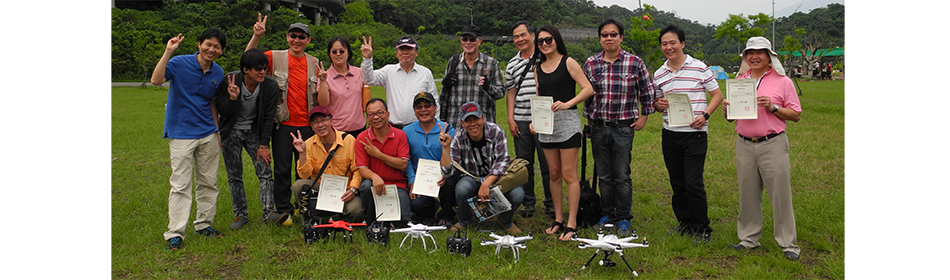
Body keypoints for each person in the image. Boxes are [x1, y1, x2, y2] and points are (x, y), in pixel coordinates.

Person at [723, 36, 803, 261]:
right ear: (745, 57)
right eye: (750, 53)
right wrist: (726, 110)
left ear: (770, 57)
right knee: (747, 193)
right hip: (744, 144)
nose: (754, 56)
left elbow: (796, 114)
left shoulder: (782, 81)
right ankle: (749, 239)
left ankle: (788, 243)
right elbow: (731, 119)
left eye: (760, 52)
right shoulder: (740, 80)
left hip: (772, 143)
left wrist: (773, 106)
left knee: (780, 194)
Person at [150, 28, 227, 250]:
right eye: (208, 44)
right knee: (180, 184)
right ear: (199, 44)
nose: (211, 49)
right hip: (181, 133)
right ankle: (175, 233)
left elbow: (212, 102)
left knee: (209, 182)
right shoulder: (179, 62)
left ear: (221, 51)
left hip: (207, 133)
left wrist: (216, 130)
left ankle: (204, 225)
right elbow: (156, 80)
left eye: (217, 47)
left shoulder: (217, 72)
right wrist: (168, 51)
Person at [582, 19, 659, 237]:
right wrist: (588, 124)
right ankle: (607, 214)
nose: (609, 38)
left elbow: (647, 91)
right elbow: (587, 97)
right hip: (598, 127)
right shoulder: (591, 63)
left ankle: (624, 217)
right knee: (604, 175)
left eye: (613, 34)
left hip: (624, 128)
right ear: (600, 38)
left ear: (621, 38)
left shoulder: (635, 62)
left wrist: (644, 115)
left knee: (622, 174)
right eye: (604, 35)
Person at [245, 15, 323, 225]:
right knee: (281, 169)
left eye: (302, 37)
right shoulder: (274, 57)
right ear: (287, 38)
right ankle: (284, 209)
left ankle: (302, 207)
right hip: (282, 124)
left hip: (307, 125)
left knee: (305, 170)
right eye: (293, 36)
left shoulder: (314, 63)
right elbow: (248, 59)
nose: (297, 40)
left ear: (308, 40)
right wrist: (256, 35)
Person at [652, 25, 724, 243]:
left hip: (695, 133)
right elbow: (656, 104)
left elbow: (717, 95)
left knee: (693, 181)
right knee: (677, 182)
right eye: (664, 44)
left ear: (682, 43)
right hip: (670, 133)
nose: (668, 47)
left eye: (673, 42)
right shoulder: (659, 74)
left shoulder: (700, 67)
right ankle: (684, 222)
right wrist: (659, 104)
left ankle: (702, 228)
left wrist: (706, 115)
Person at [529, 25, 595, 241]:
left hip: (567, 124)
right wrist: (534, 121)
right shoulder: (537, 67)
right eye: (540, 42)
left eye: (548, 40)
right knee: (553, 174)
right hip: (547, 126)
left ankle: (572, 222)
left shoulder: (568, 62)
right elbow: (539, 96)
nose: (545, 44)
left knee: (569, 174)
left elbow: (587, 89)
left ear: (556, 40)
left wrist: (568, 104)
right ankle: (558, 219)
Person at [215, 49, 284, 230]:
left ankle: (269, 212)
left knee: (264, 170)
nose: (262, 72)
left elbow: (269, 116)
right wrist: (232, 98)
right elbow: (223, 110)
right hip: (231, 132)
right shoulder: (230, 81)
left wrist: (263, 145)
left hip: (253, 131)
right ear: (246, 69)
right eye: (258, 69)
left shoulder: (270, 85)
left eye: (265, 69)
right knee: (234, 174)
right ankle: (240, 214)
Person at [440, 102, 524, 235]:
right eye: (468, 120)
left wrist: (486, 183)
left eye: (476, 119)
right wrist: (445, 148)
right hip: (471, 178)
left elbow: (502, 161)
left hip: (498, 178)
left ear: (483, 118)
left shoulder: (496, 131)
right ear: (462, 123)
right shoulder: (457, 139)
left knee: (518, 194)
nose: (473, 124)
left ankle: (505, 220)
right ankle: (464, 220)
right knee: (462, 188)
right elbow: (447, 171)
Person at [504, 20, 553, 219]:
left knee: (548, 164)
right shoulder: (512, 64)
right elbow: (511, 92)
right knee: (524, 165)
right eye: (516, 36)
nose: (520, 39)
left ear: (532, 35)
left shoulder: (546, 57)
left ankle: (551, 203)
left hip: (544, 119)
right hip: (521, 120)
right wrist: (510, 118)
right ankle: (528, 202)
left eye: (523, 35)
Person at [289, 106, 364, 225]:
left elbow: (358, 170)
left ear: (331, 121)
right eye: (315, 122)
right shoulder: (308, 144)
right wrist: (302, 153)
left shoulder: (349, 140)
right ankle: (308, 221)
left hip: (345, 189)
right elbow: (304, 174)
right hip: (320, 188)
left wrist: (353, 189)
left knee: (355, 211)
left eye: (323, 120)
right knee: (298, 185)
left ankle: (338, 218)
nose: (320, 125)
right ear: (312, 127)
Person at [360, 35, 439, 129]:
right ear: (397, 53)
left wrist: (436, 125)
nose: (405, 52)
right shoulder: (388, 71)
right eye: (401, 49)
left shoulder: (425, 73)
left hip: (418, 127)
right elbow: (368, 79)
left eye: (409, 49)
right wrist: (367, 59)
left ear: (416, 52)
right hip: (394, 127)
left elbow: (434, 101)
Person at [356, 98, 413, 225]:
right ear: (367, 117)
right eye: (371, 114)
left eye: (380, 113)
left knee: (404, 219)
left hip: (397, 184)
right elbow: (362, 168)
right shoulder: (362, 138)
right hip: (373, 184)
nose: (376, 117)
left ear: (387, 114)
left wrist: (379, 155)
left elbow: (403, 165)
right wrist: (374, 177)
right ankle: (371, 219)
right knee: (365, 186)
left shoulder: (400, 135)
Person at [403, 92, 457, 226]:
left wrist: (446, 172)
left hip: (443, 174)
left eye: (427, 106)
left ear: (435, 108)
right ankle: (431, 208)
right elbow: (406, 158)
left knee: (449, 183)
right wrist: (412, 179)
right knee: (417, 204)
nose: (423, 110)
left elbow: (455, 157)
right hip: (420, 177)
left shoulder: (447, 129)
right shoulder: (407, 131)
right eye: (419, 107)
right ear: (414, 111)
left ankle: (446, 215)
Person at [439, 25, 505, 129]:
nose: (468, 43)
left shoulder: (491, 64)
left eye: (472, 39)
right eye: (465, 39)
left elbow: (501, 93)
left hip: (483, 124)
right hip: (456, 123)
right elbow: (444, 93)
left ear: (480, 41)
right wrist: (442, 120)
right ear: (461, 41)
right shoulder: (453, 62)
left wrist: (488, 87)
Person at [316, 36, 370, 136]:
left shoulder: (359, 73)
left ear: (348, 53)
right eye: (334, 51)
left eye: (342, 51)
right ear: (329, 54)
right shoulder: (325, 77)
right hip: (337, 130)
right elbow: (323, 103)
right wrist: (323, 81)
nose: (338, 54)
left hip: (360, 128)